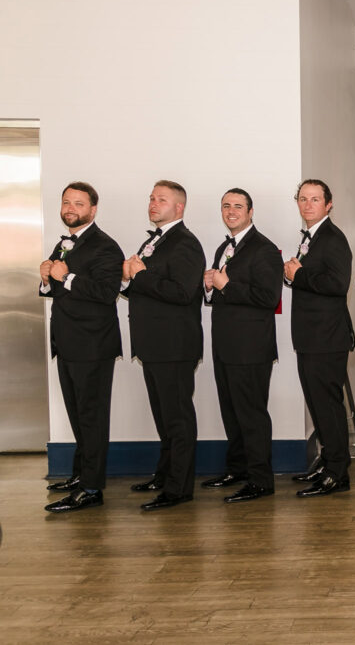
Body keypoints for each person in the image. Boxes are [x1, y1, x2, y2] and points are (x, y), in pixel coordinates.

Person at [40, 182, 124, 513]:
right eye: (66, 202)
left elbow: (106, 292)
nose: (70, 208)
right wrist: (47, 277)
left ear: (93, 209)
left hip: (92, 347)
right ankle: (80, 475)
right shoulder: (64, 243)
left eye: (78, 203)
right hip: (67, 344)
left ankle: (91, 488)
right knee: (78, 416)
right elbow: (59, 288)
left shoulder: (105, 246)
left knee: (91, 417)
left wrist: (67, 275)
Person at [123, 180, 206, 510]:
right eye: (152, 198)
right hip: (153, 346)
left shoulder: (185, 243)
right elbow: (147, 287)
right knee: (164, 417)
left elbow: (183, 293)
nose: (153, 203)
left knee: (178, 419)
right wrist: (129, 279)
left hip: (174, 347)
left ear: (179, 207)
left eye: (162, 199)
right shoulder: (155, 242)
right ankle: (165, 474)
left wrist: (140, 276)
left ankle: (179, 488)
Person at [202, 188, 282, 503]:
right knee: (231, 412)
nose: (231, 211)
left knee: (252, 415)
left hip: (251, 349)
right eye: (226, 206)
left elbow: (268, 298)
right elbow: (221, 294)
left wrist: (227, 285)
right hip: (225, 346)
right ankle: (238, 469)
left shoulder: (264, 249)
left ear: (250, 212)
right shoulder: (225, 246)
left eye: (238, 206)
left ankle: (261, 480)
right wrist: (209, 287)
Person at [284, 179, 355, 498]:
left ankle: (338, 473)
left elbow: (338, 284)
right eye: (303, 199)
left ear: (328, 204)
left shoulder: (333, 238)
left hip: (327, 339)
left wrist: (298, 275)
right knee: (318, 405)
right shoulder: (311, 237)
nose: (308, 204)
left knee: (328, 406)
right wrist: (294, 276)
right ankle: (329, 462)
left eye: (315, 199)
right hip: (311, 337)